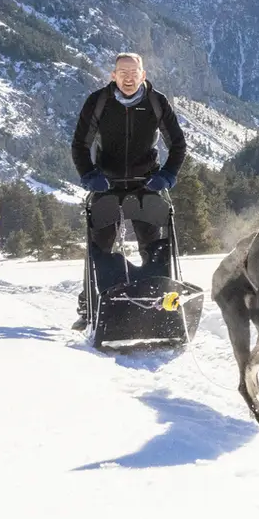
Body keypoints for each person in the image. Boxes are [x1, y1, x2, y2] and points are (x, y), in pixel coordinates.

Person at [70, 52, 186, 325]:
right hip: (107, 186)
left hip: (146, 185)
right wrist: (89, 175)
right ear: (113, 75)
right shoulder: (98, 102)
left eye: (134, 72)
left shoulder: (157, 102)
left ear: (143, 75)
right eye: (123, 72)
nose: (128, 78)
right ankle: (89, 310)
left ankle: (161, 308)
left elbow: (178, 145)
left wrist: (167, 176)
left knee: (155, 249)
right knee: (98, 250)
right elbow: (80, 145)